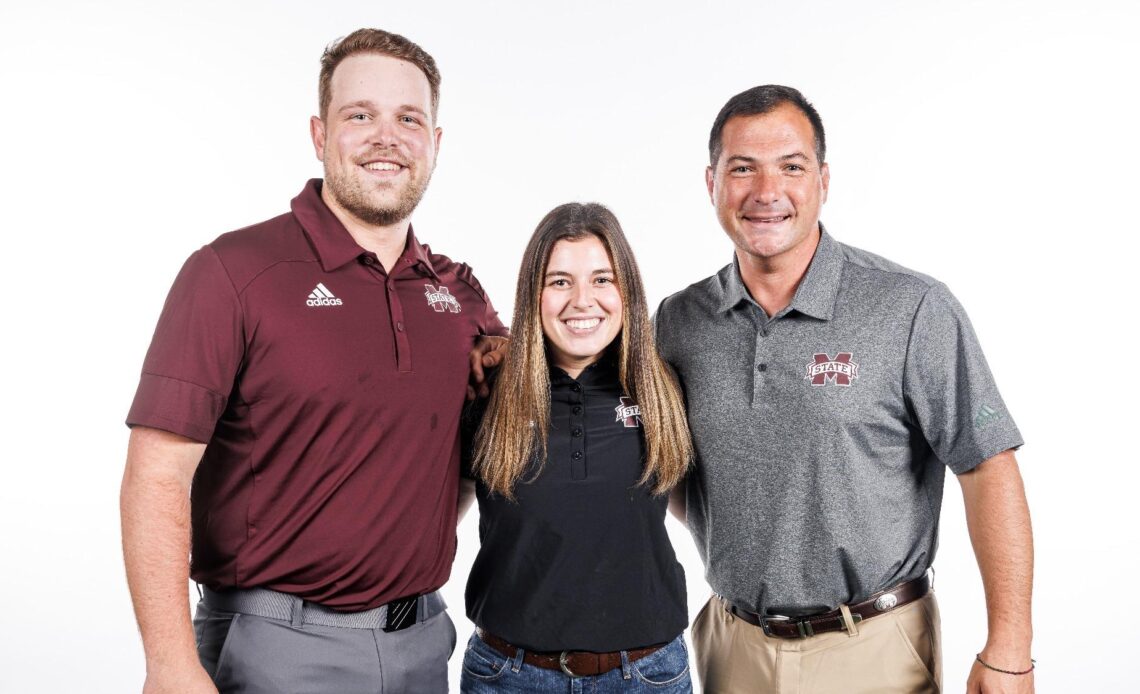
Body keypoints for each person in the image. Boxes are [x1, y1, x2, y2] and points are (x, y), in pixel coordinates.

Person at [120, 28, 506, 693]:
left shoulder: (459, 293)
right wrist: (170, 665)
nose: (387, 136)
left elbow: (487, 442)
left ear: (435, 143)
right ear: (320, 134)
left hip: (424, 646)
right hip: (274, 650)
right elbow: (157, 475)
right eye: (361, 115)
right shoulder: (232, 273)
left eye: (408, 118)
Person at [653, 85, 1034, 693]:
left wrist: (1009, 649)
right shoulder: (679, 321)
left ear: (824, 180)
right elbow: (666, 466)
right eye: (742, 168)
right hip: (733, 648)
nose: (766, 191)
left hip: (875, 648)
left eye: (791, 167)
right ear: (712, 183)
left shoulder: (911, 308)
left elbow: (988, 468)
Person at [458, 203, 695, 693]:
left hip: (647, 675)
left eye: (602, 280)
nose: (582, 301)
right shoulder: (488, 391)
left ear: (626, 290)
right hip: (509, 675)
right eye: (560, 281)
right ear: (533, 294)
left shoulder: (662, 386)